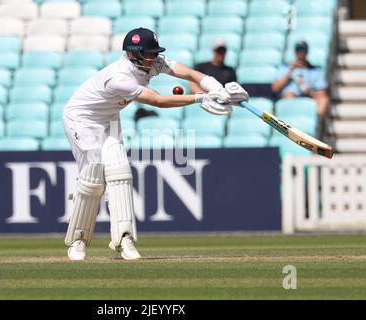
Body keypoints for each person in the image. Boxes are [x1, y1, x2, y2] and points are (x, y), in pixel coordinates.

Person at [62, 27, 249, 261]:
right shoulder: (118, 78)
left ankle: (124, 239)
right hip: (81, 118)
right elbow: (158, 101)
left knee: (120, 172)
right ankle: (78, 240)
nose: (154, 58)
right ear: (133, 54)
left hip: (109, 117)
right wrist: (201, 97)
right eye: (149, 53)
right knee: (94, 174)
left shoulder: (152, 61)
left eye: (154, 53)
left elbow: (189, 73)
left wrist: (216, 88)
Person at [271, 40, 330, 117]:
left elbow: (321, 92)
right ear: (295, 52)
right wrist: (289, 72)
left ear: (307, 52)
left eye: (303, 50)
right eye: (298, 50)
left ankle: (315, 122)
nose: (301, 53)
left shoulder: (315, 70)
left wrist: (309, 92)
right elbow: (274, 88)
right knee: (289, 95)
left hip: (309, 97)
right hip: (289, 97)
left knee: (324, 99)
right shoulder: (285, 68)